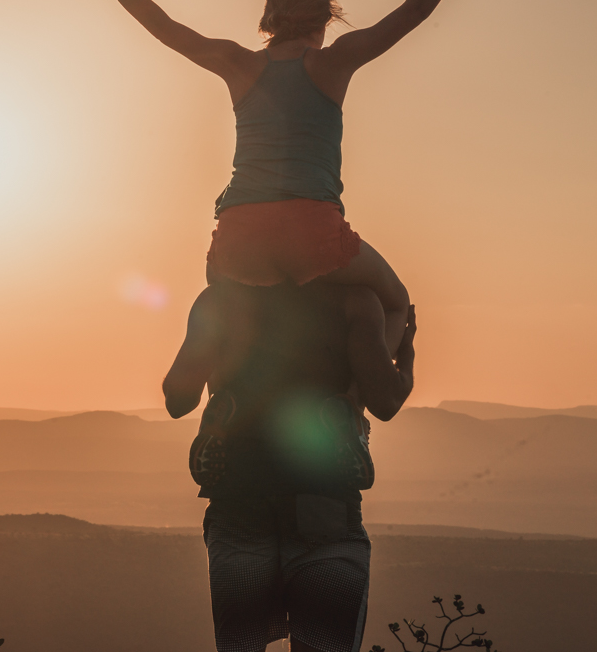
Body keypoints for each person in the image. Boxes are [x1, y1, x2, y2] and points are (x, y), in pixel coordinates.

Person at [47, 0, 522, 353]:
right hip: (312, 232)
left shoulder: (238, 64)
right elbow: (416, 9)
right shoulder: (335, 61)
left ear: (269, 20)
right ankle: (362, 401)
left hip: (236, 238)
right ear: (324, 19)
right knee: (395, 301)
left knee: (220, 293)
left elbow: (165, 27)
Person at [163, 279, 415, 652]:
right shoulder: (354, 299)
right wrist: (405, 357)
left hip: (240, 501)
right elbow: (388, 401)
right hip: (325, 506)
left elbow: (178, 398)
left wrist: (218, 363)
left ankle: (227, 411)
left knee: (241, 644)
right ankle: (344, 414)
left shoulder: (220, 298)